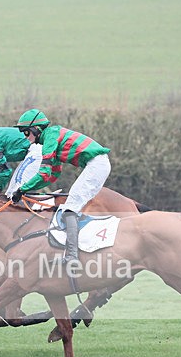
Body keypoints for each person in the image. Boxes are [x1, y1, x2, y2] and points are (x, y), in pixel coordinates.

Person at [12, 109, 111, 264]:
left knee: (69, 208)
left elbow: (43, 173)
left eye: (26, 133)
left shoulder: (50, 137)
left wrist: (22, 189)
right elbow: (52, 176)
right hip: (97, 164)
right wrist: (27, 189)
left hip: (96, 165)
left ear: (35, 129)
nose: (25, 138)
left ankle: (72, 256)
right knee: (70, 207)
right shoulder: (51, 137)